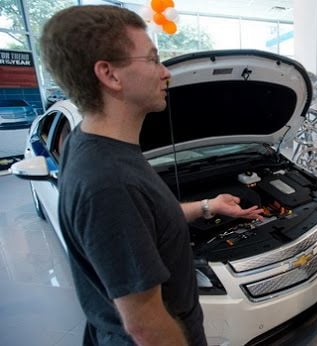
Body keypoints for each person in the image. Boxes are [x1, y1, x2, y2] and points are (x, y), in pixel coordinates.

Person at [40, 6, 263, 345]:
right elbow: (145, 325)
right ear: (110, 75)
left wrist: (208, 206)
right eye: (153, 59)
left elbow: (147, 221)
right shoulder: (109, 183)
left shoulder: (92, 143)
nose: (166, 73)